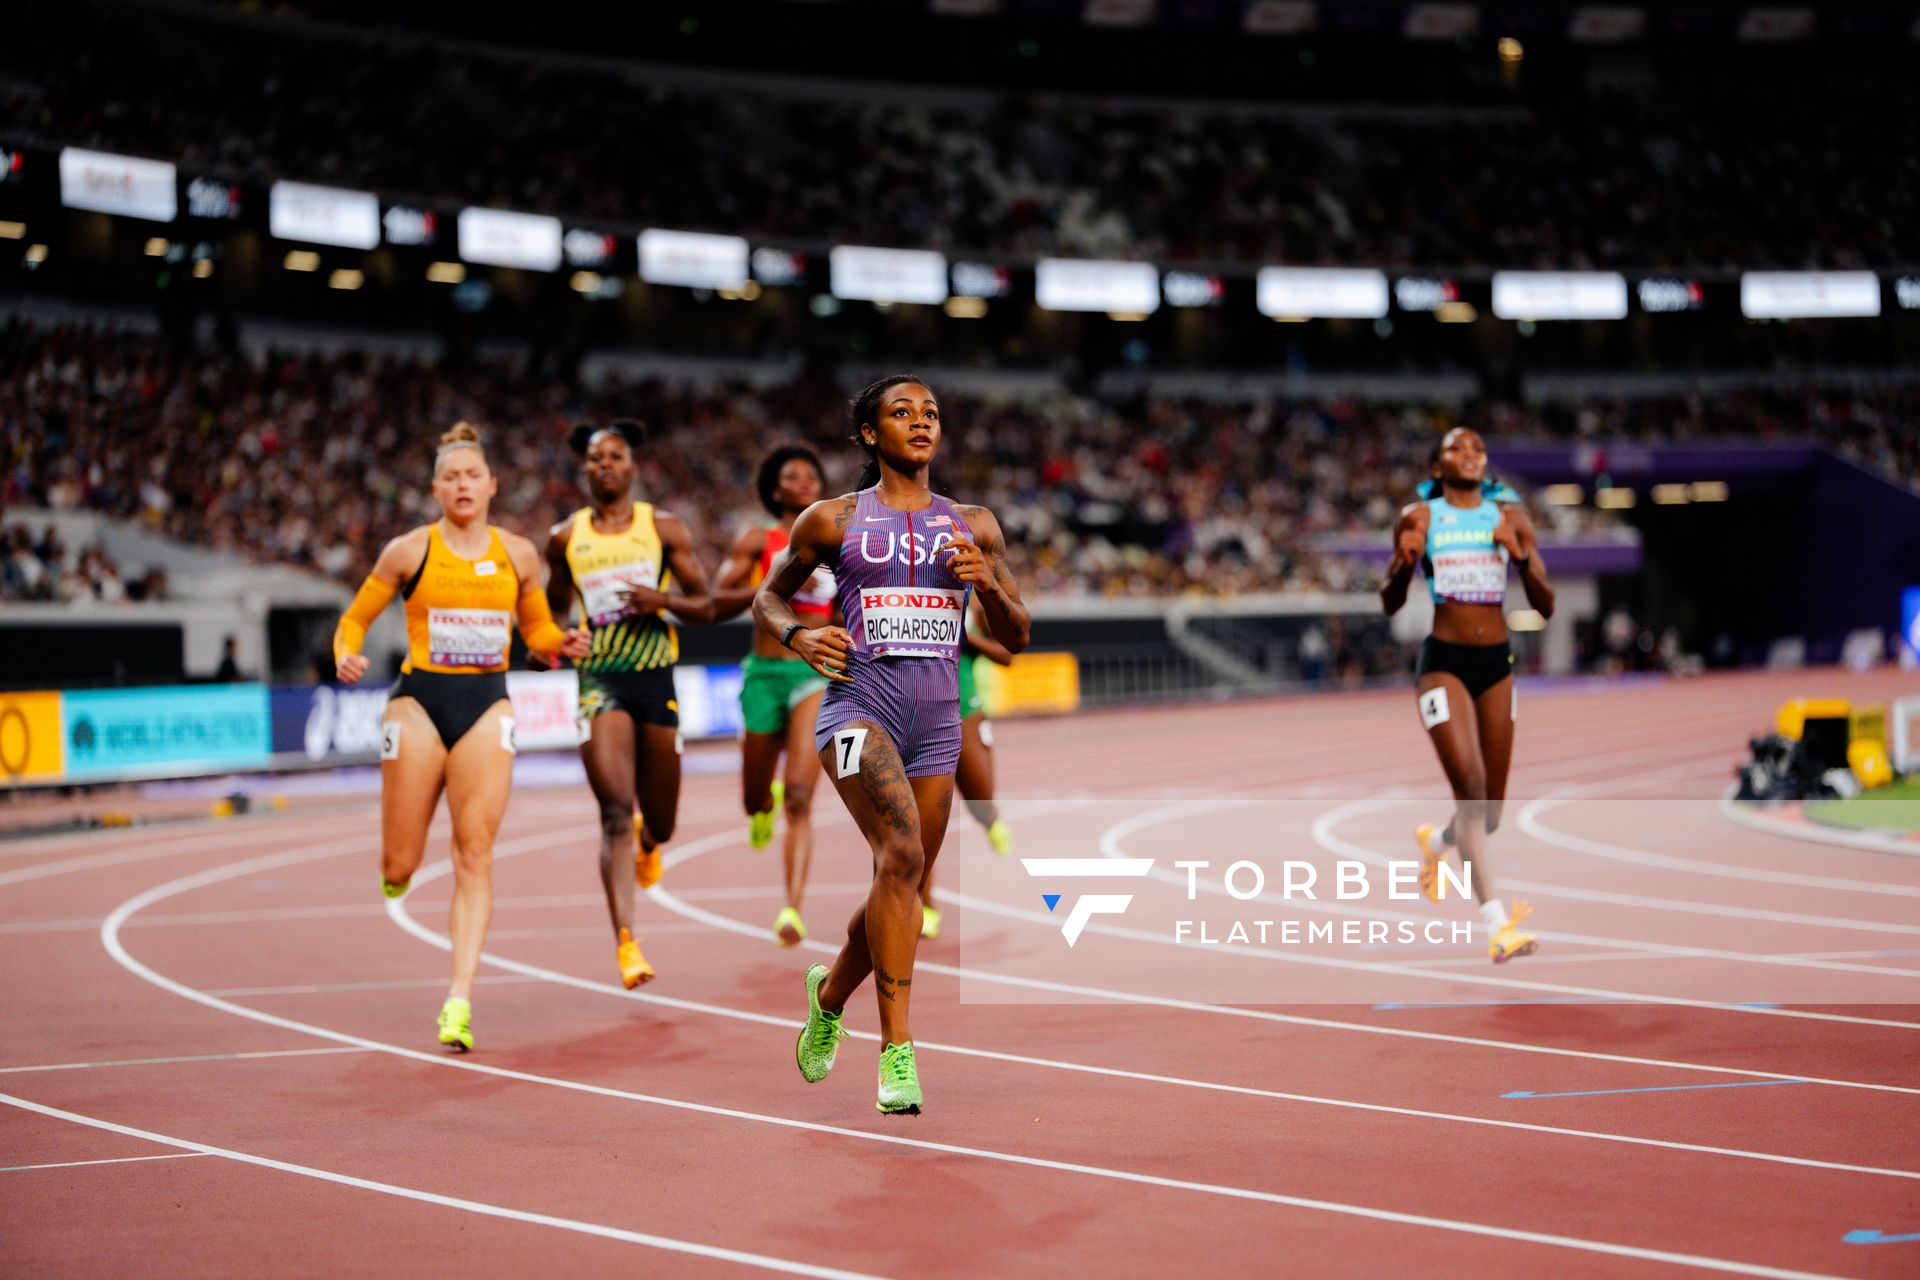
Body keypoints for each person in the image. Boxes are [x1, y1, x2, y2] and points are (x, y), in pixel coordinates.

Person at [756, 375, 1028, 1114]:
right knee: (903, 857)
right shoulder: (831, 520)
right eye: (901, 413)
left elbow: (1019, 634)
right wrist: (797, 634)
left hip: (937, 723)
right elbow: (768, 595)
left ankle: (831, 995)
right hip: (855, 709)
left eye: (931, 413)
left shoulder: (974, 524)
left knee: (896, 881)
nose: (920, 422)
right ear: (871, 435)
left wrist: (991, 587)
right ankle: (898, 1054)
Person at [333, 422, 590, 1050]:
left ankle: (459, 1000)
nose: (462, 484)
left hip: (486, 704)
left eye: (473, 474)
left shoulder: (518, 554)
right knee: (401, 863)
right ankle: (396, 866)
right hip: (419, 702)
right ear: (435, 489)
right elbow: (355, 618)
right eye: (451, 476)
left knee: (475, 852)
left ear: (492, 485)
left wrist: (564, 643)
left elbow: (537, 633)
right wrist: (346, 652)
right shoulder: (408, 551)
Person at [544, 421, 713, 989]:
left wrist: (659, 599)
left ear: (633, 467)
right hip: (600, 680)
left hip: (654, 677)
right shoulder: (565, 538)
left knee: (660, 822)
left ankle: (648, 842)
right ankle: (627, 944)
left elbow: (706, 603)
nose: (605, 465)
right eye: (596, 458)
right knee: (615, 809)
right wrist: (557, 639)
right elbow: (548, 616)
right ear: (584, 470)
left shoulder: (662, 528)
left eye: (615, 456)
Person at [1382, 427, 1554, 964]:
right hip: (1444, 666)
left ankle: (1435, 844)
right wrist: (1400, 566)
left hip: (1497, 665)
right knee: (1473, 789)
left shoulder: (1509, 516)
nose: (1470, 455)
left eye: (1478, 448)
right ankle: (1497, 925)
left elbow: (1546, 605)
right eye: (1457, 448)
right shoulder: (1419, 517)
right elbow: (1389, 602)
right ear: (1437, 468)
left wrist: (1521, 558)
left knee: (1491, 814)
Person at [711, 446, 835, 947]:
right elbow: (722, 596)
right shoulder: (757, 539)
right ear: (776, 488)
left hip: (814, 672)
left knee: (802, 796)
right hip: (764, 673)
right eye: (792, 475)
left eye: (812, 474)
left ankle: (791, 908)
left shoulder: (832, 539)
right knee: (754, 795)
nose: (804, 481)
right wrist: (775, 580)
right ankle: (762, 807)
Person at [918, 598, 1015, 941]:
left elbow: (1007, 656)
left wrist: (968, 639)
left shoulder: (972, 608)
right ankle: (926, 906)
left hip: (966, 712)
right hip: (921, 718)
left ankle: (990, 821)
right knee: (919, 823)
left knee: (980, 799)